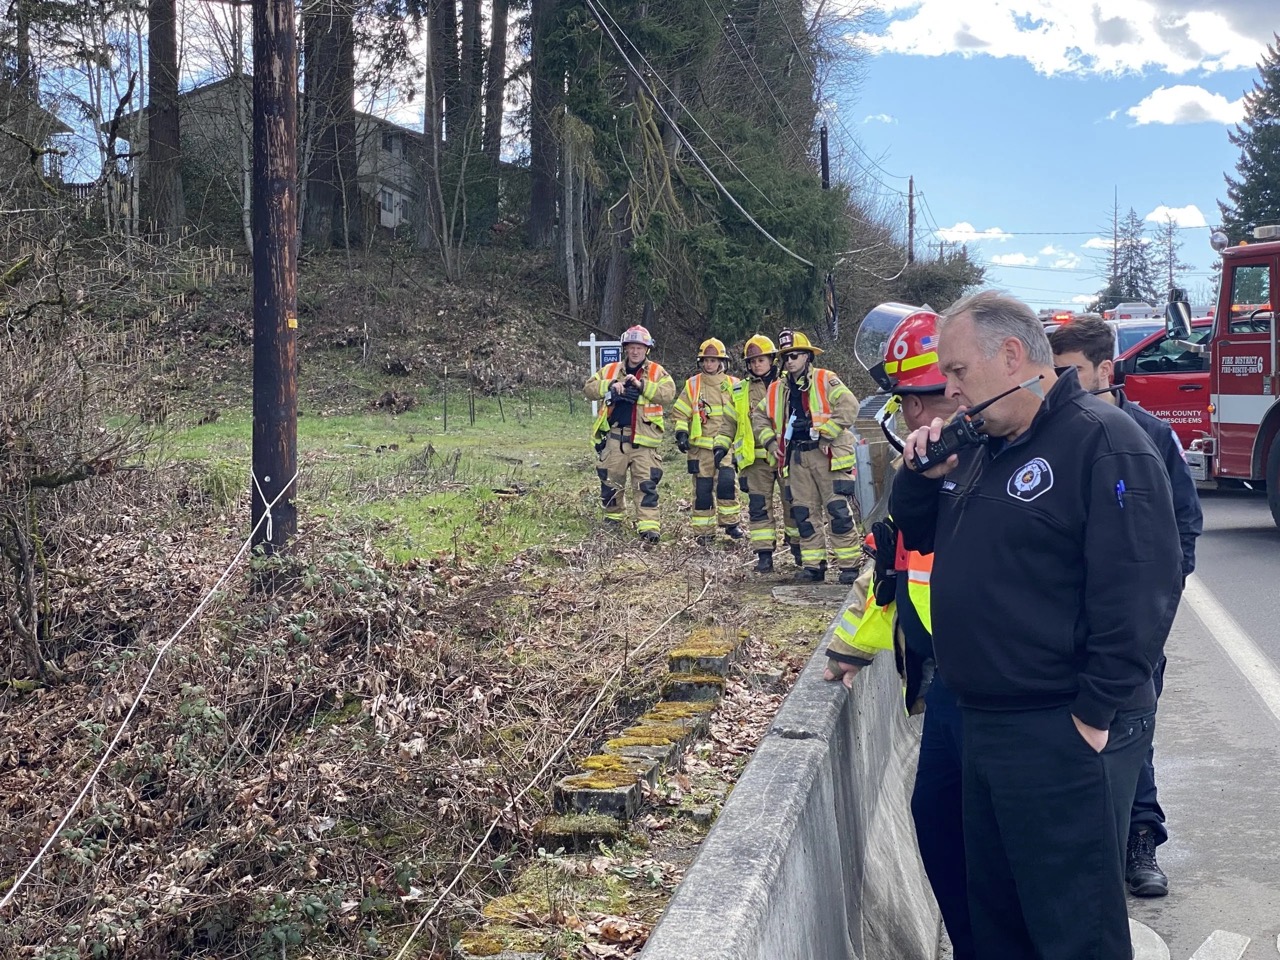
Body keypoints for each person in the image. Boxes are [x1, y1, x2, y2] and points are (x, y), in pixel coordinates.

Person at [892, 291, 1182, 960]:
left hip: (1059, 727)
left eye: (959, 372)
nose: (951, 391)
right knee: (1000, 922)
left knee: (1070, 925)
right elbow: (921, 529)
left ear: (1013, 356)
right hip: (985, 721)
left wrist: (1094, 710)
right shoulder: (988, 444)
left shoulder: (1102, 441)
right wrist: (919, 470)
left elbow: (1142, 585)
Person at [823, 307, 976, 960]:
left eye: (923, 399)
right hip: (947, 686)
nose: (912, 416)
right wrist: (851, 650)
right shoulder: (922, 469)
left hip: (1003, 687)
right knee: (939, 825)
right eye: (904, 401)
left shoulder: (990, 461)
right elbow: (892, 565)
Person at [1050, 314, 1203, 898]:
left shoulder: (1146, 436)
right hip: (1064, 630)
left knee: (1131, 730)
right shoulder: (1051, 436)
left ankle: (1142, 839)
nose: (1057, 385)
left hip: (1131, 630)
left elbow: (1183, 532)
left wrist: (1150, 613)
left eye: (1070, 373)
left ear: (1105, 370)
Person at [752, 329, 861, 583]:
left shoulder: (825, 379)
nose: (790, 361)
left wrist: (827, 434)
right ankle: (813, 565)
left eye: (795, 355)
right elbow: (758, 416)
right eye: (786, 357)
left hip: (827, 456)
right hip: (797, 458)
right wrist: (769, 442)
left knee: (837, 511)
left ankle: (849, 566)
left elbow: (849, 406)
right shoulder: (778, 389)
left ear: (808, 357)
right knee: (804, 513)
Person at [584, 324, 676, 543]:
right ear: (626, 348)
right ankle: (612, 522)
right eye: (632, 347)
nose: (635, 351)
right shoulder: (612, 369)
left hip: (644, 442)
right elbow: (588, 389)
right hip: (615, 437)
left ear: (647, 349)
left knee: (646, 485)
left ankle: (649, 528)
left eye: (640, 347)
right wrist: (611, 385)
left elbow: (668, 393)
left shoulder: (656, 372)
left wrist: (642, 386)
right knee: (610, 482)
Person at [731, 334, 798, 572]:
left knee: (794, 502)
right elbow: (730, 421)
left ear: (772, 360)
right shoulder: (740, 389)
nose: (757, 364)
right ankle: (764, 554)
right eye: (753, 361)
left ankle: (799, 549)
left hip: (787, 457)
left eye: (761, 360)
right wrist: (720, 446)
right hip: (756, 460)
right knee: (759, 507)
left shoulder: (789, 383)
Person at [672, 338, 745, 544]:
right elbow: (680, 412)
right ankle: (703, 532)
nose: (709, 364)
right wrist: (681, 433)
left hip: (726, 446)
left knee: (727, 484)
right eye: (706, 360)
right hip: (700, 449)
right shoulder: (693, 384)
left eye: (713, 360)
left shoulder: (735, 384)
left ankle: (731, 523)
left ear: (722, 362)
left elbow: (743, 414)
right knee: (702, 491)